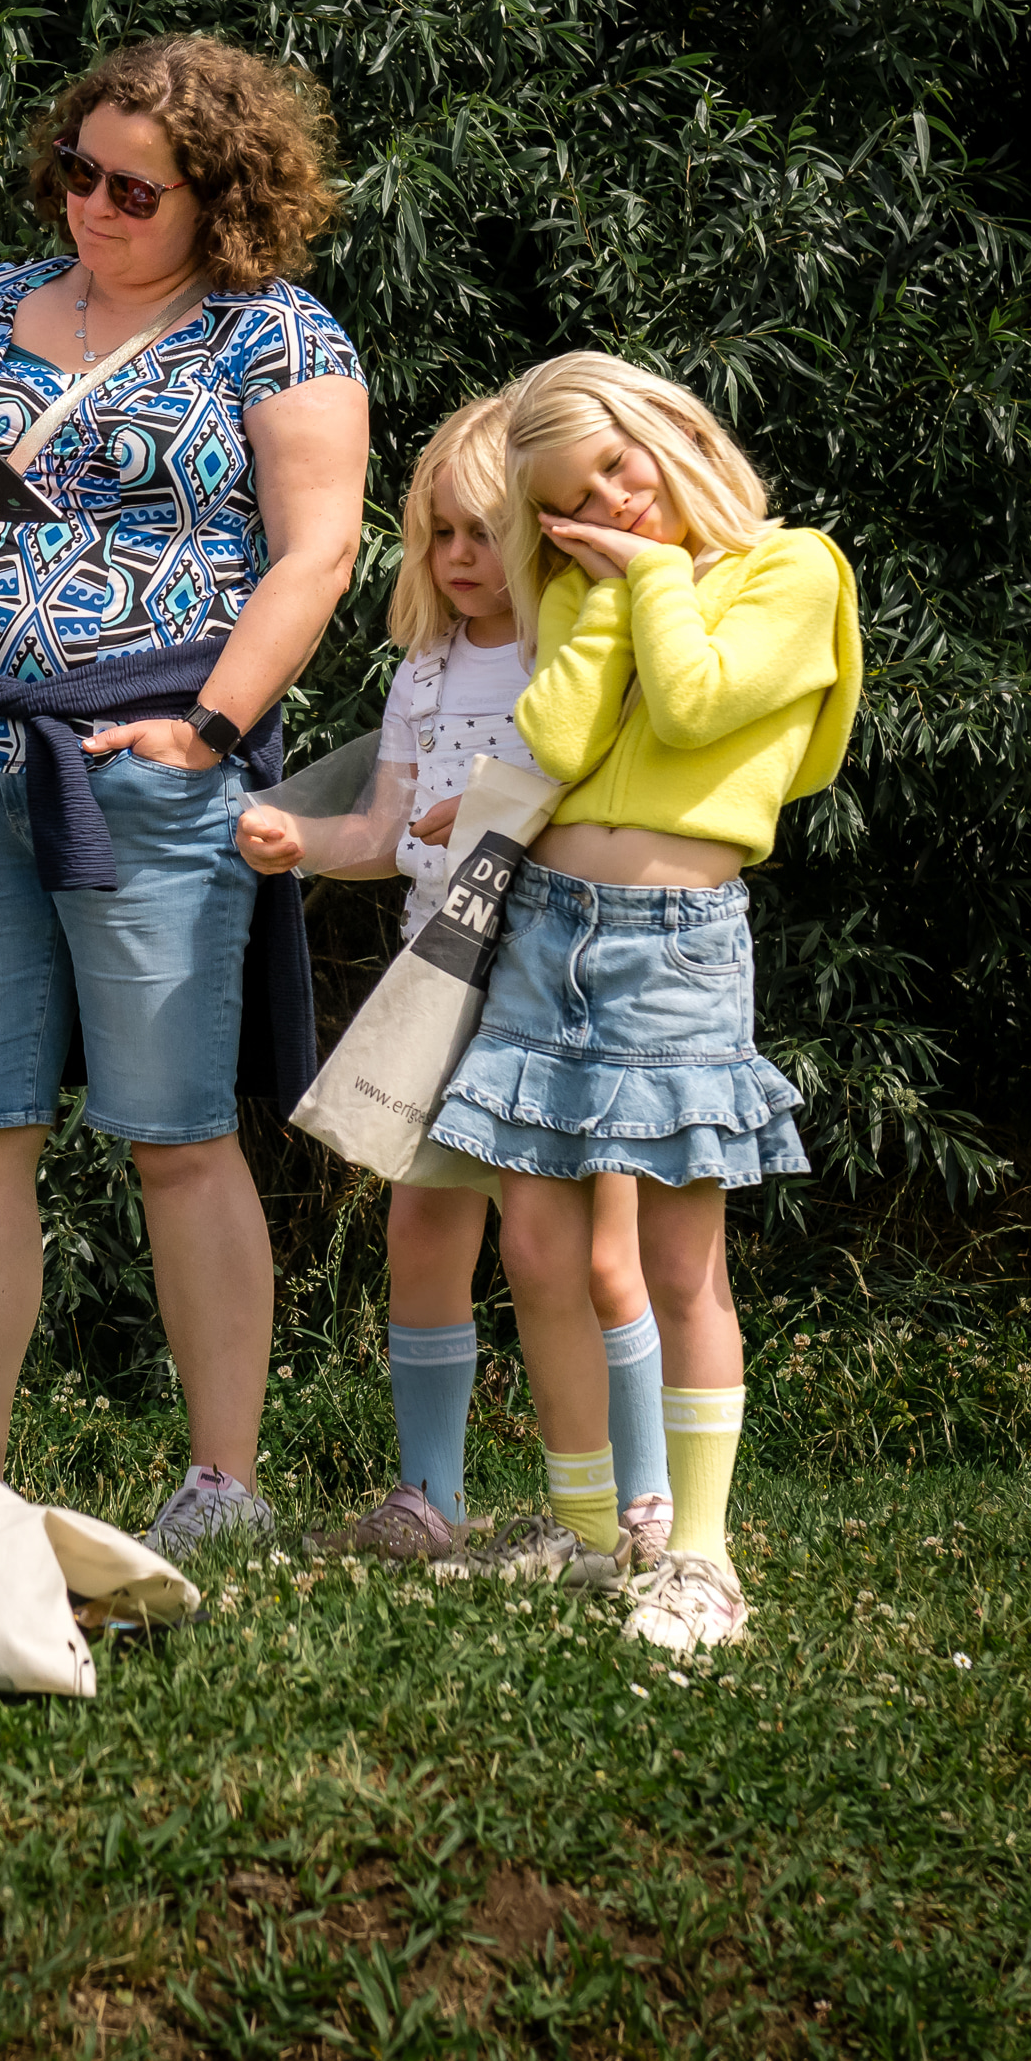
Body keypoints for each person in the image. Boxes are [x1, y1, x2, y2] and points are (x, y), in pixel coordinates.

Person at [0, 32, 369, 1560]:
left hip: (150, 766)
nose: (97, 207)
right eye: (80, 172)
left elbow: (320, 552)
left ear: (220, 197)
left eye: (137, 188)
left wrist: (206, 728)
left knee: (175, 1132)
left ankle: (224, 1488)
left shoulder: (281, 337)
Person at [432, 350, 861, 1651]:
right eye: (580, 496)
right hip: (546, 930)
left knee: (680, 1263)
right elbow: (557, 745)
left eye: (623, 464)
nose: (619, 499)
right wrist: (606, 596)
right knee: (539, 1251)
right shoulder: (583, 590)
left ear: (672, 430)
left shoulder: (792, 569)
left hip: (675, 946)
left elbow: (694, 711)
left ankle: (702, 1563)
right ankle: (582, 1532)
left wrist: (653, 574)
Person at [235, 388, 670, 1566]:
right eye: (440, 532)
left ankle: (642, 1503)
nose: (462, 557)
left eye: (486, 531)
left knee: (590, 1247)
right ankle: (429, 1496)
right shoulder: (422, 671)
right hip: (443, 983)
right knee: (424, 1229)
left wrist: (486, 808)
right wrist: (301, 843)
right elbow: (385, 829)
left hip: (567, 977)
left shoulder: (575, 652)